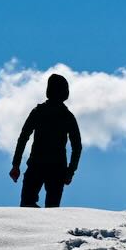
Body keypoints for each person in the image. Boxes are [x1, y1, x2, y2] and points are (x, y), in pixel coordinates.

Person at [10, 73, 82, 208]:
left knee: (32, 206)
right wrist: (70, 171)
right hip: (49, 167)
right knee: (42, 208)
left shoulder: (42, 112)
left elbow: (23, 138)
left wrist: (16, 165)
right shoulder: (65, 115)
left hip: (46, 166)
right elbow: (77, 147)